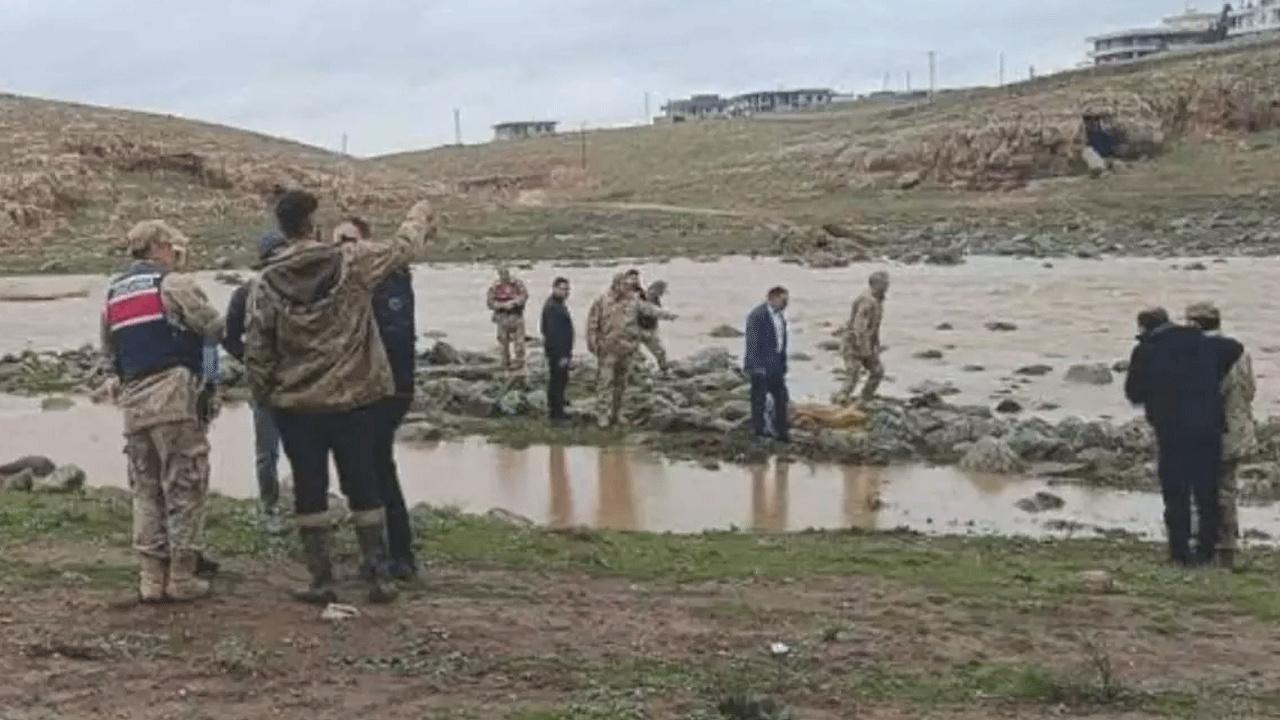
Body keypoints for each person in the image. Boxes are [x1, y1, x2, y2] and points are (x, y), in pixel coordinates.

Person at [244, 190, 436, 605]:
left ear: (282, 228)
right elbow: (405, 247)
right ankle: (378, 576)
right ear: (313, 225)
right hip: (354, 400)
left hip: (297, 406)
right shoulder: (352, 262)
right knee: (364, 485)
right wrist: (419, 211)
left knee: (310, 491)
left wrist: (266, 397)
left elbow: (258, 348)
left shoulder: (266, 282)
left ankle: (321, 581)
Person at [99, 219, 225, 603]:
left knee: (146, 488)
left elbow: (109, 354)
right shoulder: (173, 283)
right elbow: (213, 326)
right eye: (171, 245)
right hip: (173, 395)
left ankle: (151, 578)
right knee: (185, 484)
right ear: (157, 247)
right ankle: (182, 576)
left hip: (133, 401)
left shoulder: (114, 294)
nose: (175, 251)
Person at [333, 216, 419, 580]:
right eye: (337, 241)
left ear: (367, 243)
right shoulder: (338, 283)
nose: (344, 248)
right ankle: (378, 550)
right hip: (351, 391)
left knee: (379, 468)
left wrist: (394, 389)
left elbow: (398, 338)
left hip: (385, 389)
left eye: (350, 239)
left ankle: (398, 554)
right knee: (358, 473)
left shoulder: (390, 280)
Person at [1124, 306, 1240, 566]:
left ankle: (1180, 552)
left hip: (1171, 430)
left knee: (1176, 493)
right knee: (1206, 491)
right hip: (1208, 428)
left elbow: (1134, 393)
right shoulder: (1204, 344)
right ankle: (1207, 550)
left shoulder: (1146, 351)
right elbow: (1235, 348)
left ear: (1144, 328)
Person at [221, 229, 287, 534]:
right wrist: (250, 360)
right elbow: (226, 336)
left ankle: (305, 505)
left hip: (298, 382)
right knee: (268, 452)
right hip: (267, 385)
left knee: (299, 450)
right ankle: (271, 507)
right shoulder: (245, 294)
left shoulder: (300, 288)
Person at [1185, 301, 1256, 569]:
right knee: (1227, 489)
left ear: (1194, 324)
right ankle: (1227, 547)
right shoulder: (1240, 351)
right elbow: (1250, 390)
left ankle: (1205, 548)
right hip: (1238, 430)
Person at [585, 272, 676, 428]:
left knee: (622, 384)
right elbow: (592, 324)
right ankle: (602, 415)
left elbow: (649, 310)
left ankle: (617, 413)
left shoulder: (634, 301)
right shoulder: (601, 301)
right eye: (624, 285)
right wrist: (592, 345)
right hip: (608, 349)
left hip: (627, 349)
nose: (628, 288)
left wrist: (667, 315)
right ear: (616, 285)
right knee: (605, 383)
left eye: (629, 285)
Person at [744, 286, 791, 444]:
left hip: (776, 364)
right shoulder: (757, 315)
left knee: (781, 397)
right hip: (760, 365)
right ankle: (758, 433)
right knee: (759, 400)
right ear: (773, 298)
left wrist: (783, 363)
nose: (786, 304)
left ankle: (781, 432)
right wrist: (755, 366)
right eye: (784, 300)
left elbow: (781, 342)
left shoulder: (780, 317)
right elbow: (752, 342)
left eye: (787, 301)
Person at [838, 271, 888, 403]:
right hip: (853, 343)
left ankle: (864, 399)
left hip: (867, 343)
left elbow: (874, 328)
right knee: (853, 372)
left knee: (877, 371)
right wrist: (865, 350)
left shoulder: (878, 301)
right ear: (874, 284)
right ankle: (841, 399)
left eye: (887, 283)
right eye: (883, 283)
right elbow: (859, 328)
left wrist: (876, 346)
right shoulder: (867, 300)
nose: (887, 286)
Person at [540, 276, 574, 423]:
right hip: (558, 352)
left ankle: (556, 406)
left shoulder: (557, 304)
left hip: (559, 351)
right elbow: (553, 333)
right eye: (562, 289)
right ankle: (556, 413)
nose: (565, 292)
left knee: (559, 380)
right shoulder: (553, 307)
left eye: (567, 289)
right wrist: (562, 355)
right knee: (558, 381)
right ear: (554, 289)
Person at [486, 266, 528, 372]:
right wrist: (501, 305)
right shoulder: (495, 286)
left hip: (516, 316)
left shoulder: (517, 284)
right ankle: (505, 363)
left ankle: (520, 362)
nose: (504, 276)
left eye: (506, 273)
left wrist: (514, 303)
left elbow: (524, 296)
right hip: (502, 318)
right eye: (502, 273)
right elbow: (490, 302)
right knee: (503, 342)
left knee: (519, 342)